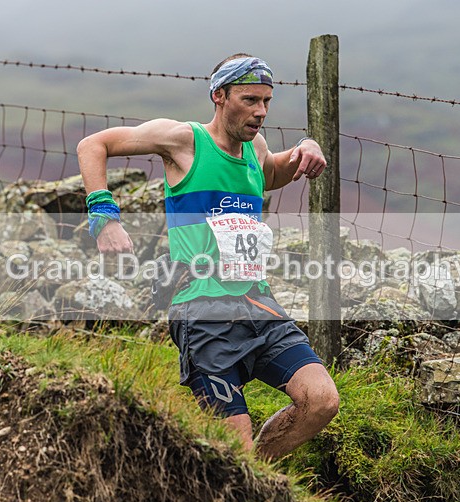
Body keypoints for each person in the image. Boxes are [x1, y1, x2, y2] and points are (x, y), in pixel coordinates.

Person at [77, 53, 339, 459]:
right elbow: (94, 144)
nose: (261, 111)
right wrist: (104, 216)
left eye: (267, 101)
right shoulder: (184, 140)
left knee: (322, 401)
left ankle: (257, 478)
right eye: (250, 100)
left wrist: (305, 148)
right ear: (219, 95)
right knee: (234, 447)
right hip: (202, 310)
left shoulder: (255, 147)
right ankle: (243, 486)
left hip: (257, 302)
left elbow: (269, 173)